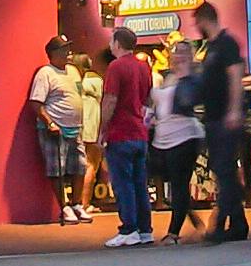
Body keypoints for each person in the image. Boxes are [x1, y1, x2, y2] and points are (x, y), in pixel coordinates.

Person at [189, 2, 250, 244]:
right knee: (223, 172)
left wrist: (235, 110)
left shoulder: (226, 44)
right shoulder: (211, 47)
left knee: (225, 171)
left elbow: (236, 77)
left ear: (205, 20)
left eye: (197, 23)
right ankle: (239, 223)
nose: (197, 28)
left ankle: (219, 224)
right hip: (213, 118)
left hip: (225, 117)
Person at [99, 26, 155, 247]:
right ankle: (145, 229)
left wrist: (103, 130)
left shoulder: (115, 67)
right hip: (139, 132)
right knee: (140, 183)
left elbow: (110, 100)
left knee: (123, 183)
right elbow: (148, 100)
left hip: (120, 132)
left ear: (117, 44)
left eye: (112, 42)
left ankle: (128, 228)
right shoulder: (144, 68)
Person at [149, 41, 206, 243]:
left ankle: (173, 233)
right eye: (175, 52)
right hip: (162, 137)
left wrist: (186, 76)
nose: (178, 56)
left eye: (183, 52)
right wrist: (151, 115)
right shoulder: (166, 77)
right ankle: (189, 213)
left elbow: (189, 100)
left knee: (178, 183)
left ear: (191, 56)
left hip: (185, 135)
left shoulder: (193, 78)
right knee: (164, 176)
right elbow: (158, 104)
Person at [28, 36, 88, 225]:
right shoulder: (45, 73)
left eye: (68, 49)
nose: (68, 53)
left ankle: (77, 203)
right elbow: (36, 102)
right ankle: (64, 206)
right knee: (57, 169)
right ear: (53, 54)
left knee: (80, 165)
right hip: (55, 128)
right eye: (63, 50)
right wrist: (49, 122)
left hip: (75, 127)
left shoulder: (73, 71)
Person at [77, 53, 107, 217]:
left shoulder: (74, 81)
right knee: (91, 165)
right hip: (93, 126)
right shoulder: (96, 80)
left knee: (82, 165)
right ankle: (85, 203)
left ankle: (79, 202)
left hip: (78, 125)